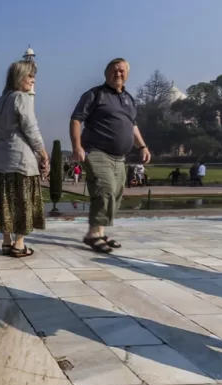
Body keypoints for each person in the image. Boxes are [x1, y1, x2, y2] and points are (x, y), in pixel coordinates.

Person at [70, 58, 151, 253]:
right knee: (104, 189)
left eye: (122, 71)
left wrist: (142, 146)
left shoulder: (129, 99)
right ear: (106, 73)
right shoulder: (95, 95)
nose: (118, 74)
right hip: (97, 151)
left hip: (119, 156)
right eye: (114, 70)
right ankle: (92, 234)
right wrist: (77, 146)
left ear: (127, 74)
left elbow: (132, 125)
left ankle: (100, 232)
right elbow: (76, 119)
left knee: (115, 194)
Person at [0, 59, 48, 257]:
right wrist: (43, 153)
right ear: (19, 77)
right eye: (30, 76)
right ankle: (19, 245)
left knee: (5, 202)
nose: (33, 80)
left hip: (2, 159)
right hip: (21, 160)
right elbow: (31, 128)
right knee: (22, 203)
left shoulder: (1, 100)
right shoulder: (21, 98)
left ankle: (6, 242)